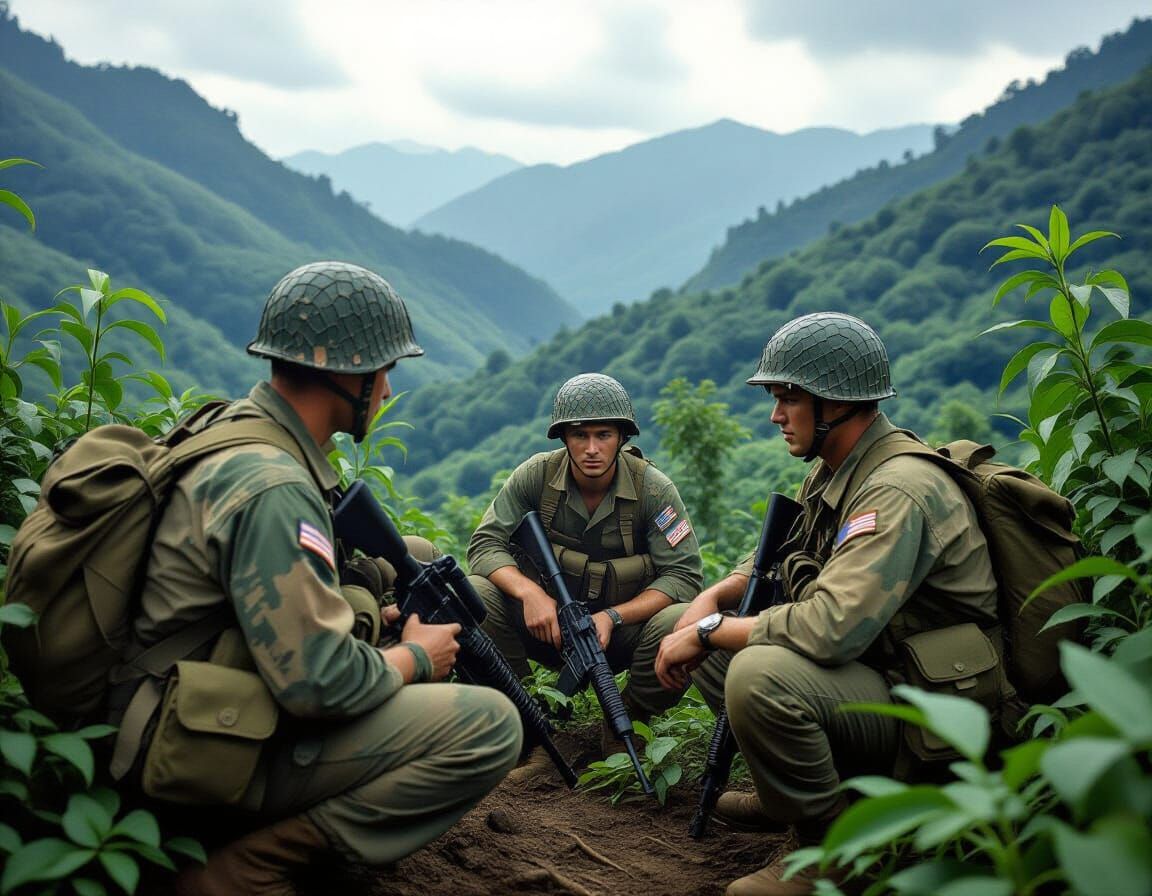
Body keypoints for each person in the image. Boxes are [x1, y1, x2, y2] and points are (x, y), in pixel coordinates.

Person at [116, 261, 522, 895]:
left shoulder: (233, 429)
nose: (387, 390)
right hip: (182, 745)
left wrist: (368, 617)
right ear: (347, 373)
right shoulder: (275, 487)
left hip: (168, 695)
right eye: (384, 371)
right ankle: (242, 870)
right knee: (489, 726)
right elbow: (319, 684)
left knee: (400, 558)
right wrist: (415, 657)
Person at [656, 312, 999, 896]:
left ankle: (836, 851)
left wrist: (712, 630)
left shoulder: (895, 490)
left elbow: (828, 630)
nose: (775, 415)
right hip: (884, 668)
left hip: (942, 705)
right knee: (688, 626)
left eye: (789, 398)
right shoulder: (839, 468)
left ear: (835, 403)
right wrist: (713, 597)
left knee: (759, 672)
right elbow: (784, 553)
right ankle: (794, 794)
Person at [467, 372, 704, 776]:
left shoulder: (653, 490)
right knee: (475, 593)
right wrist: (531, 595)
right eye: (580, 436)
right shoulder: (537, 477)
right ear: (563, 438)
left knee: (683, 620)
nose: (592, 449)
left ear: (622, 437)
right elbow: (484, 545)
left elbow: (682, 575)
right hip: (546, 627)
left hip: (621, 635)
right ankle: (526, 720)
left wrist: (612, 618)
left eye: (604, 435)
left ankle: (627, 718)